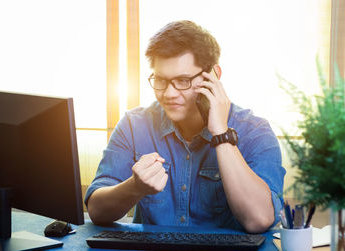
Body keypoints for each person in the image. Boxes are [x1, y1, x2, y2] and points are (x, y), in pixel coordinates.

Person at [84, 20, 285, 233]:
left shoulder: (255, 131)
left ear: (213, 75)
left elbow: (259, 220)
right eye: (160, 80)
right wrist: (134, 187)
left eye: (183, 81)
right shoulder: (134, 125)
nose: (169, 94)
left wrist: (221, 133)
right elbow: (96, 211)